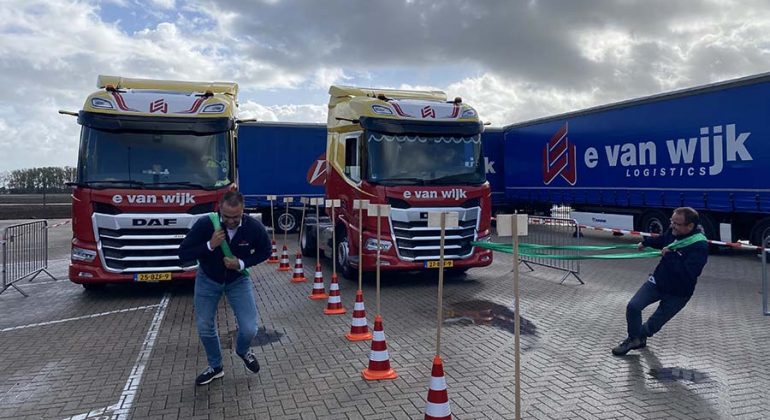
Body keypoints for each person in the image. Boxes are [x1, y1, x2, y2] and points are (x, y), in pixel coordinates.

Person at [179, 191, 272, 385]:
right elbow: (184, 253)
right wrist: (210, 245)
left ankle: (243, 351)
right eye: (227, 216)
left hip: (237, 281)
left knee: (249, 329)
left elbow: (265, 251)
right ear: (219, 209)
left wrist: (241, 263)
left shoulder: (253, 227)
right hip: (208, 280)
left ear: (243, 210)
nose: (231, 221)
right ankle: (216, 366)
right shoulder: (205, 224)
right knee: (205, 326)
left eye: (236, 217)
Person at [611, 207, 709, 356]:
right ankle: (633, 339)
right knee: (633, 306)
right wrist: (646, 243)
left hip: (678, 293)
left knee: (652, 326)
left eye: (677, 224)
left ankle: (640, 338)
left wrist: (670, 256)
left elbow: (689, 273)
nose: (672, 226)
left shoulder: (699, 245)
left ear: (690, 226)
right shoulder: (673, 231)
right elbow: (663, 239)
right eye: (672, 221)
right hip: (657, 283)